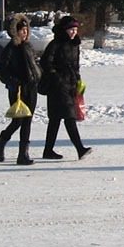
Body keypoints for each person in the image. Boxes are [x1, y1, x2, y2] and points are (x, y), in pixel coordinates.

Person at [40, 15, 92, 160]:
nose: (74, 32)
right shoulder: (55, 44)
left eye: (75, 29)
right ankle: (80, 149)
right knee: (70, 116)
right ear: (64, 30)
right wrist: (56, 77)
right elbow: (46, 63)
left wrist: (78, 82)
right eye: (71, 30)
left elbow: (76, 66)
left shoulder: (74, 45)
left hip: (70, 85)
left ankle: (48, 150)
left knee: (55, 119)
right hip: (57, 87)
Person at [0, 14, 42, 166]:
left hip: (31, 88)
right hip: (18, 90)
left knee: (27, 121)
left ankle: (23, 154)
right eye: (22, 30)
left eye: (26, 30)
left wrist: (39, 75)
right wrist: (13, 81)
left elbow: (35, 64)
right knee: (18, 120)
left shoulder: (28, 46)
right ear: (15, 31)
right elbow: (2, 70)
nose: (25, 33)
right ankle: (2, 140)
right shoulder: (10, 48)